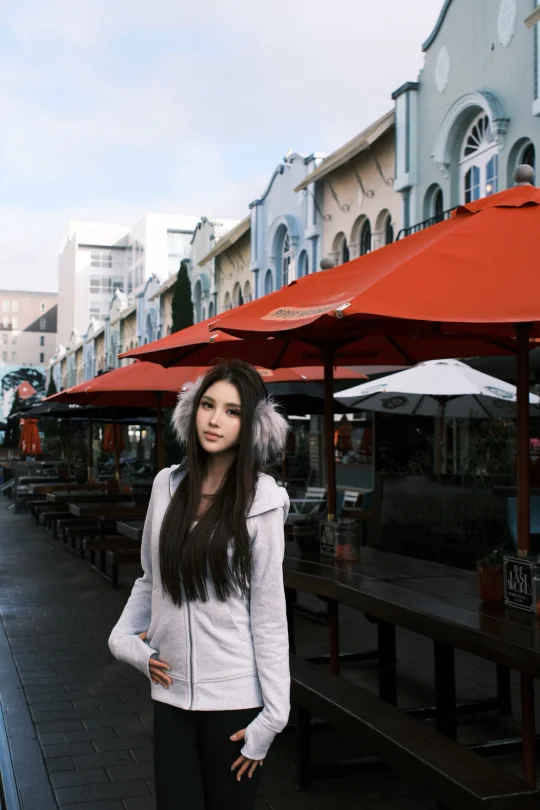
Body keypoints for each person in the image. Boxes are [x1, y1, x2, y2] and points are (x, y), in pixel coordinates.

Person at [108, 360, 291, 810]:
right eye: (208, 405)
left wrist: (273, 719)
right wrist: (123, 641)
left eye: (232, 411)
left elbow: (269, 616)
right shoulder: (166, 486)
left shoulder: (263, 501)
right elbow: (150, 580)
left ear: (252, 425)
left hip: (234, 704)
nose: (214, 419)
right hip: (171, 697)